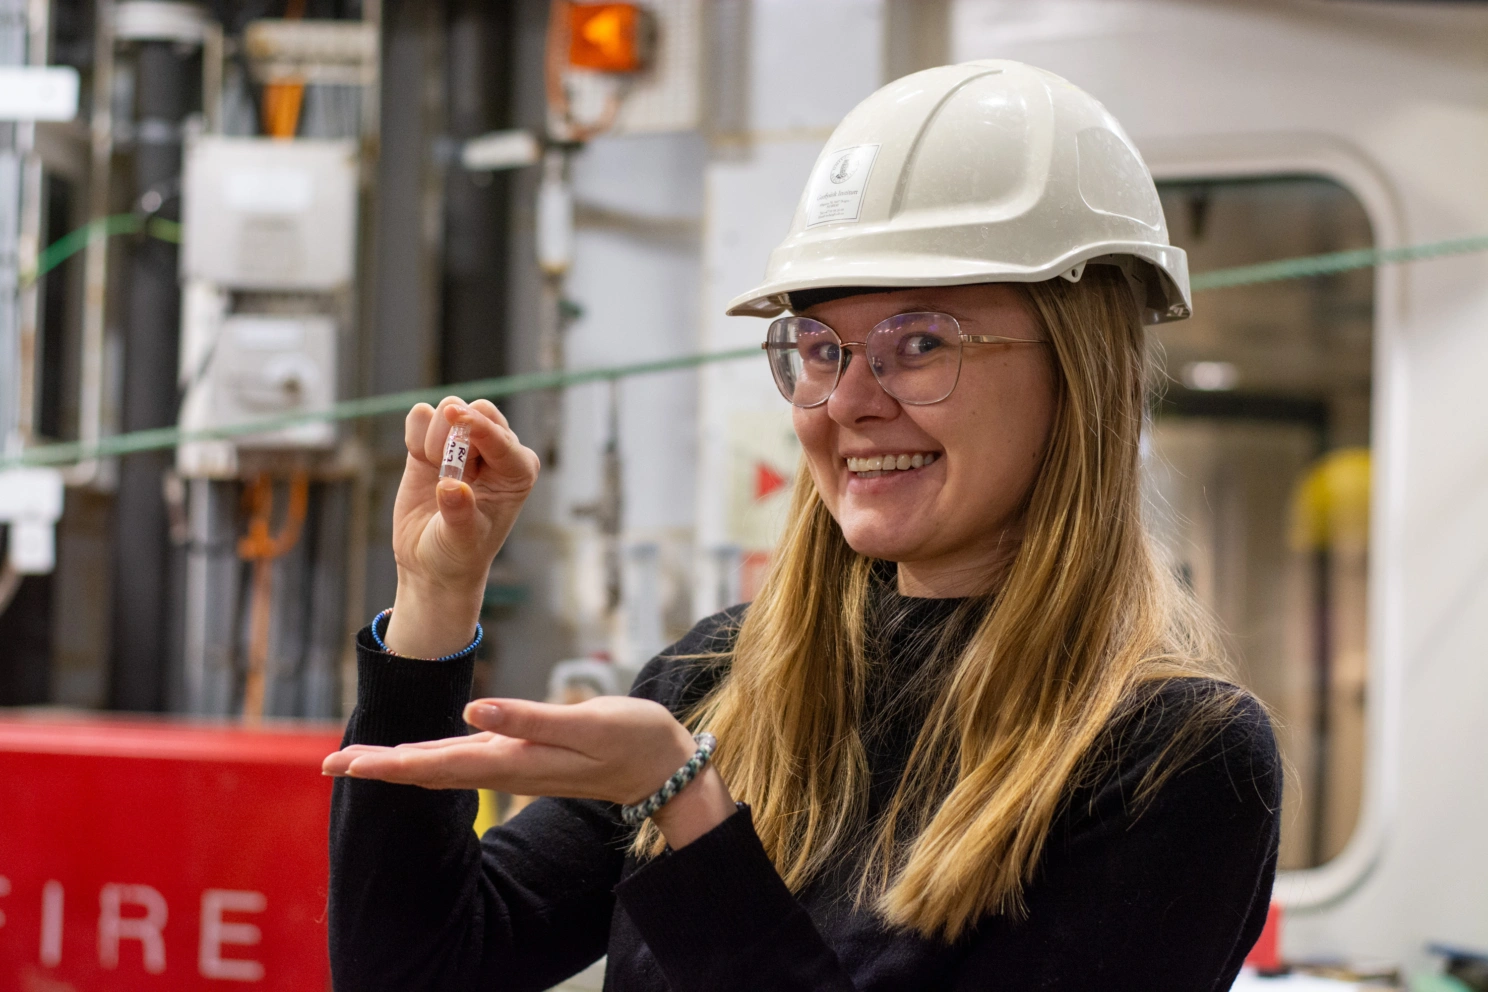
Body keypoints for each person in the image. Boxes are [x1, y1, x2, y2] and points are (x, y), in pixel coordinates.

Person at [323, 61, 1280, 992]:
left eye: (921, 344)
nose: (849, 401)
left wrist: (688, 809)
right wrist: (436, 598)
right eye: (820, 348)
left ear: (1080, 373)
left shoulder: (1177, 758)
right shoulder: (726, 683)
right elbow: (412, 969)